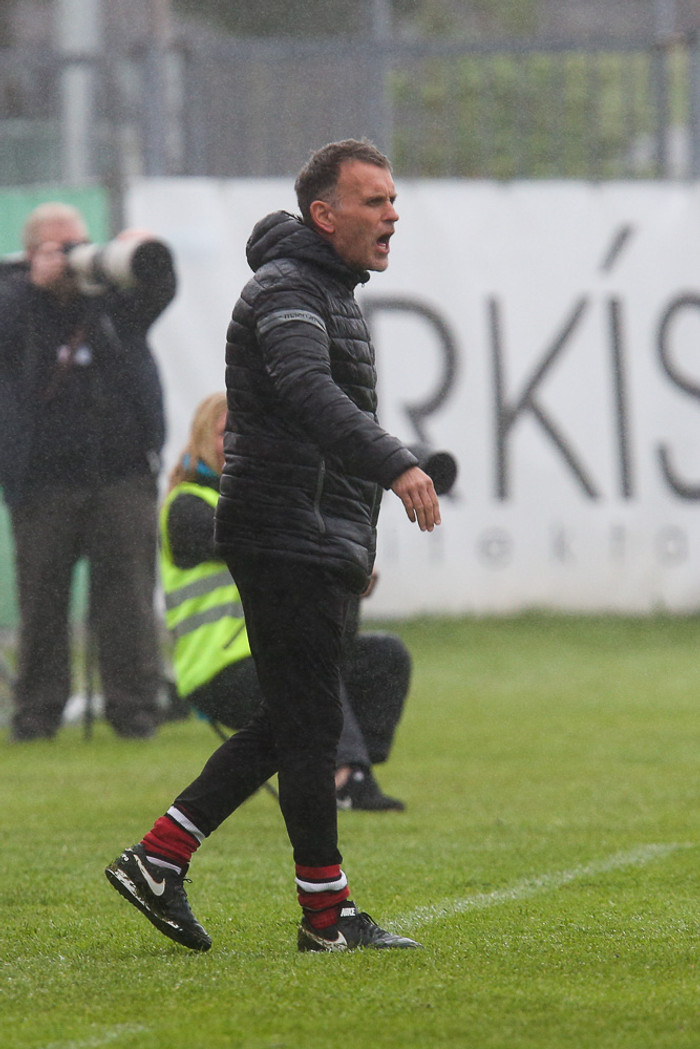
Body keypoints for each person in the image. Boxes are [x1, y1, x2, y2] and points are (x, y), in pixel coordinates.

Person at [105, 138, 441, 953]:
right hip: (281, 532)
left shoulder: (324, 289)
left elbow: (316, 423)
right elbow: (306, 391)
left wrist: (352, 534)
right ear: (325, 215)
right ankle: (322, 916)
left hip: (304, 533)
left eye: (394, 199)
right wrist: (396, 462)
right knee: (308, 724)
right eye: (374, 200)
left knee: (297, 721)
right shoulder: (289, 287)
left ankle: (165, 858)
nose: (392, 214)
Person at [160, 392, 410, 811]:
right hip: (219, 669)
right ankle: (344, 778)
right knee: (305, 667)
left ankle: (344, 764)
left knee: (385, 657)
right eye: (226, 433)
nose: (238, 442)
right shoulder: (186, 506)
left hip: (274, 653)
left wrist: (346, 579)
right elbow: (253, 541)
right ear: (201, 438)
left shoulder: (270, 505)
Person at [0, 202, 176, 741]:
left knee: (128, 596)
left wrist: (142, 252)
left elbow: (160, 289)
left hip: (122, 473)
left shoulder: (112, 302)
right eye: (61, 248)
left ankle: (134, 708)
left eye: (79, 244)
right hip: (41, 480)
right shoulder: (13, 300)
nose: (74, 258)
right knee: (43, 599)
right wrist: (33, 287)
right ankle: (37, 712)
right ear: (33, 253)